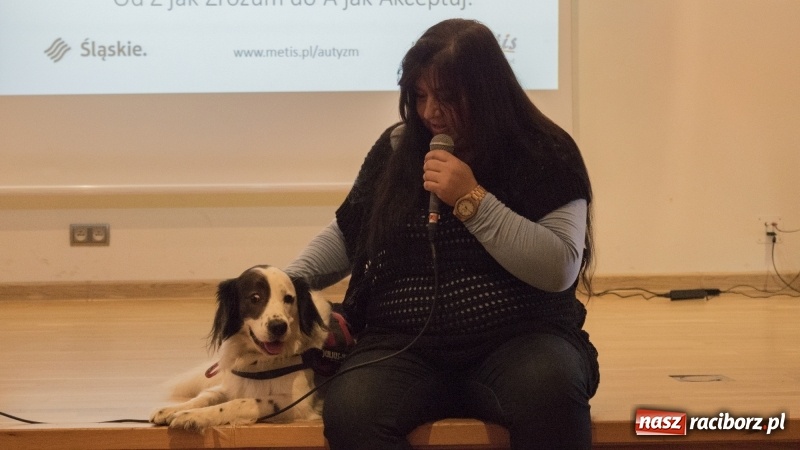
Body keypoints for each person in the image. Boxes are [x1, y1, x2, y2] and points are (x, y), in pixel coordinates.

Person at [285, 18, 599, 450]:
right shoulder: (398, 146)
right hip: (403, 344)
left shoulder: (544, 150)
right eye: (419, 96)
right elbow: (349, 233)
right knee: (352, 410)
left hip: (522, 339)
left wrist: (471, 199)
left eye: (447, 97)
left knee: (551, 390)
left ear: (488, 92)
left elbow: (559, 266)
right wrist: (285, 282)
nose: (430, 111)